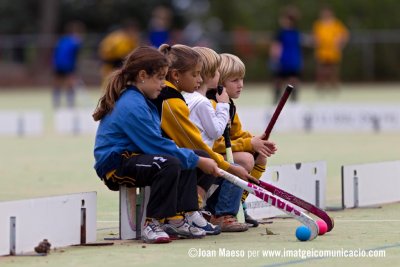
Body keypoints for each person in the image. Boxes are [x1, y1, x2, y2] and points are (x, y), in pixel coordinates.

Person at [92, 46, 221, 244]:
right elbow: (155, 146)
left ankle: (180, 216)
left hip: (135, 156)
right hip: (116, 164)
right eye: (160, 78)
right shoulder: (132, 104)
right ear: (142, 75)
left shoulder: (142, 98)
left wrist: (195, 157)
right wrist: (197, 161)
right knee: (171, 162)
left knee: (188, 155)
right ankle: (152, 223)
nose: (163, 84)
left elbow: (159, 145)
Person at [152, 44, 257, 233]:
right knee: (203, 159)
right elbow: (204, 139)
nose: (199, 80)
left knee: (205, 157)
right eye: (195, 74)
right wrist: (228, 166)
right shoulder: (180, 101)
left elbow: (228, 134)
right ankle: (195, 213)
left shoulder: (179, 97)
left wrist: (250, 142)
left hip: (174, 150)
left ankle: (196, 212)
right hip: (165, 154)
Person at [207, 53, 278, 228]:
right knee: (246, 160)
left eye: (242, 79)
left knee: (260, 156)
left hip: (220, 154)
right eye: (235, 80)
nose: (241, 85)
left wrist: (255, 140)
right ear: (220, 83)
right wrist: (248, 144)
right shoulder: (211, 104)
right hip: (208, 154)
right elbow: (214, 143)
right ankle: (222, 213)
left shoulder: (229, 104)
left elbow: (236, 134)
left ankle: (239, 203)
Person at [184, 46, 230, 148]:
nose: (219, 74)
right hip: (201, 156)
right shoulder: (202, 102)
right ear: (210, 74)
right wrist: (223, 105)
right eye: (217, 70)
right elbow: (216, 132)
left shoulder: (187, 97)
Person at [269, 6, 302, 103]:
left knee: (290, 80)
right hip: (288, 60)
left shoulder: (288, 32)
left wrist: (274, 57)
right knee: (281, 80)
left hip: (288, 61)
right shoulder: (291, 32)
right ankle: (279, 99)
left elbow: (276, 47)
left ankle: (290, 100)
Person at [312, 6, 349, 91]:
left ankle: (334, 87)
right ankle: (321, 87)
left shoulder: (336, 24)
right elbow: (315, 37)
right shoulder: (318, 24)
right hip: (322, 51)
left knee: (333, 70)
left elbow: (344, 35)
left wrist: (340, 43)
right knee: (321, 70)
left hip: (333, 51)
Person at [52, 21, 85, 109]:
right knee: (70, 83)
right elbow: (77, 53)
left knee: (58, 83)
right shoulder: (75, 41)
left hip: (58, 64)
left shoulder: (62, 39)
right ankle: (70, 104)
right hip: (68, 65)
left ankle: (56, 102)